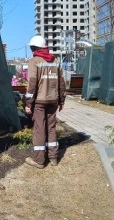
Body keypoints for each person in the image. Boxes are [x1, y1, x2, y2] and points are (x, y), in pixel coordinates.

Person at [25, 35, 66, 169]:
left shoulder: (34, 61)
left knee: (39, 129)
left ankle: (39, 160)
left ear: (34, 48)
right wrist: (62, 100)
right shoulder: (56, 61)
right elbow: (61, 82)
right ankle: (53, 157)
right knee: (51, 128)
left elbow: (32, 84)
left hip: (39, 102)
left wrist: (28, 103)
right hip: (53, 100)